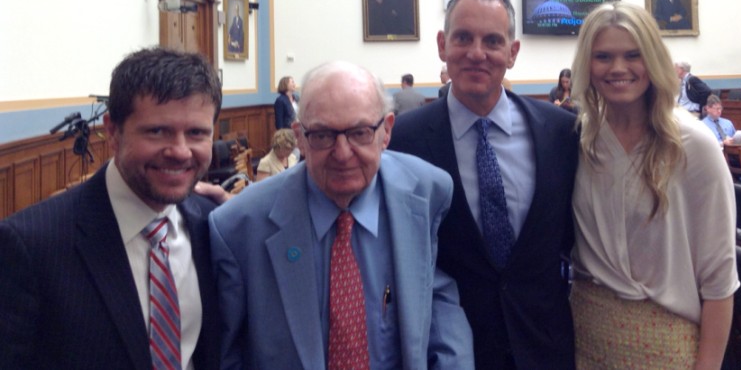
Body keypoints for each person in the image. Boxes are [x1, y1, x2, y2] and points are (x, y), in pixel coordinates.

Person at [209, 60, 474, 369]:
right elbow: (226, 356)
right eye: (322, 135)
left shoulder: (428, 193)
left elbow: (437, 299)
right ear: (299, 138)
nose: (343, 153)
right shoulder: (238, 226)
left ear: (386, 131)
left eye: (360, 132)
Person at [389, 0, 579, 369]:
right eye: (463, 38)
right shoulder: (402, 139)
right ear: (442, 45)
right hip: (452, 351)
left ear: (512, 52)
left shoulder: (561, 133)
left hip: (546, 346)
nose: (477, 53)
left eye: (492, 40)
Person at [0, 47, 223, 369]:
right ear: (113, 131)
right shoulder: (31, 244)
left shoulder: (212, 225)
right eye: (157, 131)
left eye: (196, 133)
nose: (180, 151)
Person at [569, 1, 738, 368]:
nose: (618, 68)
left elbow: (720, 283)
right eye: (603, 56)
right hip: (585, 337)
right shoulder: (581, 138)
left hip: (666, 348)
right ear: (587, 64)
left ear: (655, 60)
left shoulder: (694, 146)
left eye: (633, 55)